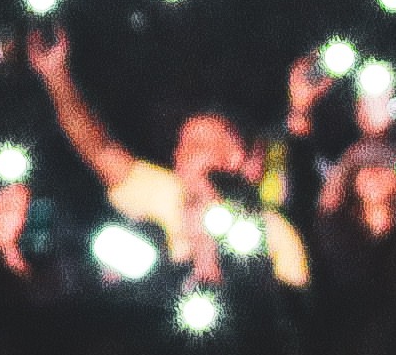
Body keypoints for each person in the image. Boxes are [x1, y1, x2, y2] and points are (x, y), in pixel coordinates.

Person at [17, 25, 308, 286]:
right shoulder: (165, 193)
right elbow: (99, 149)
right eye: (185, 145)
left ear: (237, 159)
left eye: (204, 146)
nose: (187, 155)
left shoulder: (269, 229)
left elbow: (297, 305)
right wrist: (56, 76)